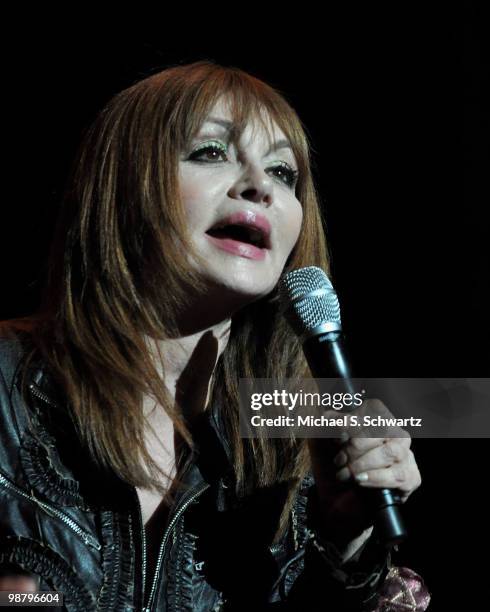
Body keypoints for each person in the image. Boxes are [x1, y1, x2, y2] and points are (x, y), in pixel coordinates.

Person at [0, 60, 429, 611]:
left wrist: (344, 546)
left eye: (282, 172)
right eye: (211, 152)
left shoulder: (298, 441)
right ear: (122, 185)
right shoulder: (10, 380)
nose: (259, 187)